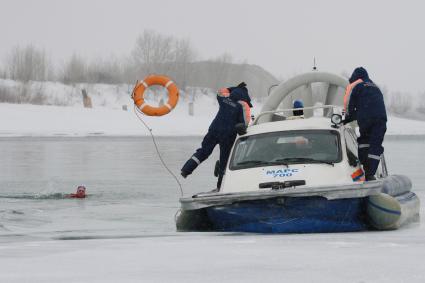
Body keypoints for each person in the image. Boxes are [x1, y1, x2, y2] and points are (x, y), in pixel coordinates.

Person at [181, 82, 253, 190]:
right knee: (224, 161)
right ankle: (221, 187)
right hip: (228, 135)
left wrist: (232, 89)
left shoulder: (224, 99)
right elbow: (245, 123)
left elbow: (220, 91)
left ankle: (186, 170)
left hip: (214, 130)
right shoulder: (243, 105)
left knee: (203, 151)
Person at [343, 67, 387, 181]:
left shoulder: (357, 87)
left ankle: (365, 167)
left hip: (366, 119)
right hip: (380, 120)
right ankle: (370, 173)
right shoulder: (376, 87)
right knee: (375, 145)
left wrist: (345, 120)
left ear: (356, 78)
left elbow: (351, 109)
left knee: (364, 142)